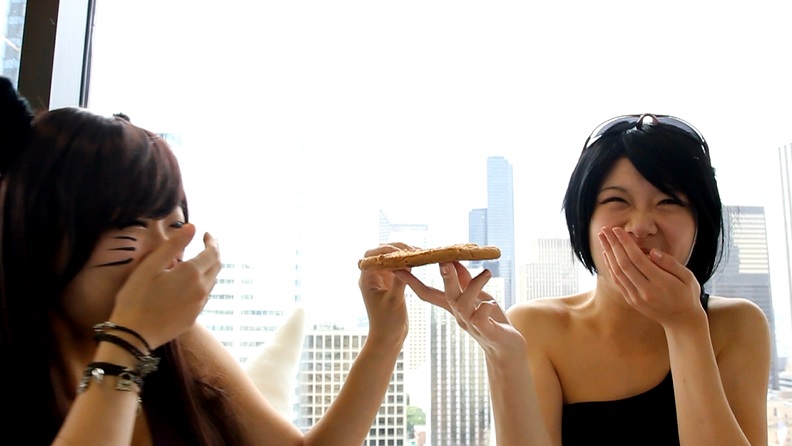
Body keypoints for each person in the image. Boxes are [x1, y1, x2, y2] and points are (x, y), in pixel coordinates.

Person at [0, 76, 409, 445]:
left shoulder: (177, 340)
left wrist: (385, 336)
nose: (166, 249)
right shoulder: (137, 336)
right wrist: (128, 342)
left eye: (176, 224)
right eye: (131, 224)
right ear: (42, 229)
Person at [395, 113, 771, 445]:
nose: (641, 226)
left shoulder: (737, 325)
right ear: (583, 222)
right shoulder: (536, 327)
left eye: (669, 201)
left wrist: (685, 326)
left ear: (700, 222)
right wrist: (504, 357)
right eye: (617, 201)